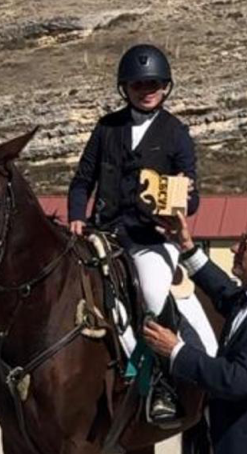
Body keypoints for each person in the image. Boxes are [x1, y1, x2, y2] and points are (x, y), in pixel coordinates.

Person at [68, 44, 199, 426]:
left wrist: (180, 202)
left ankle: (159, 383)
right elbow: (82, 181)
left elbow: (193, 197)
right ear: (125, 87)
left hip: (150, 238)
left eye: (154, 83)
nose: (147, 89)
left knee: (154, 293)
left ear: (165, 86)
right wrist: (77, 215)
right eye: (139, 83)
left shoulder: (176, 134)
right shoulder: (107, 128)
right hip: (103, 232)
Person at [144, 213, 247, 454]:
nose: (235, 248)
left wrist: (175, 351)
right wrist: (187, 247)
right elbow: (223, 291)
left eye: (246, 245)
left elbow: (237, 379)